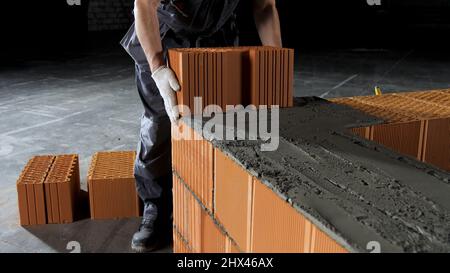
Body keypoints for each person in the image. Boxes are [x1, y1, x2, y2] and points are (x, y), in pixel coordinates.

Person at [121, 0, 282, 252]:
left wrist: (276, 64)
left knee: (220, 120)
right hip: (163, 34)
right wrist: (157, 67)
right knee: (160, 122)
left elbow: (264, 7)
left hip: (217, 36)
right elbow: (144, 4)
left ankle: (211, 197)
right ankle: (156, 207)